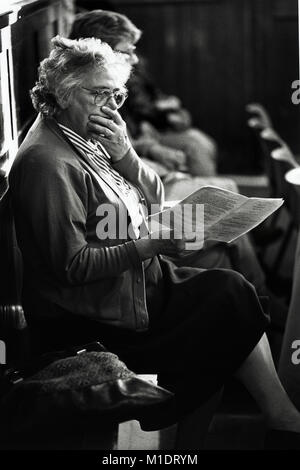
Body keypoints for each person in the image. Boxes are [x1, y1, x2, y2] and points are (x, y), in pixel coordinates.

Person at [9, 36, 300, 449]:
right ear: (61, 93)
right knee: (228, 302)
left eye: (117, 94)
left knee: (232, 292)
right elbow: (70, 266)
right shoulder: (47, 162)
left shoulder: (87, 133)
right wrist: (149, 246)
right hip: (92, 315)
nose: (111, 106)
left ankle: (277, 416)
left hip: (134, 285)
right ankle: (269, 420)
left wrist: (126, 153)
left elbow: (152, 197)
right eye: (99, 94)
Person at [69, 9, 217, 178]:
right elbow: (110, 155)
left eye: (133, 50)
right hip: (127, 175)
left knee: (201, 143)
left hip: (142, 141)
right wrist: (153, 150)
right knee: (195, 149)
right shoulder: (91, 94)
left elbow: (132, 125)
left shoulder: (117, 80)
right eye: (126, 52)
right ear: (100, 54)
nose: (135, 59)